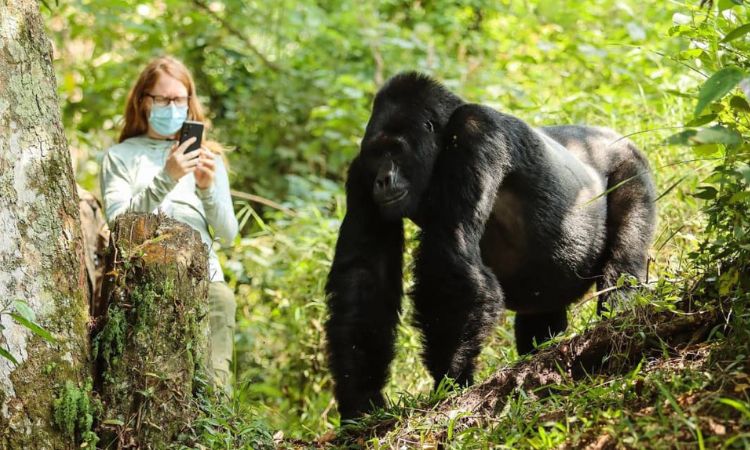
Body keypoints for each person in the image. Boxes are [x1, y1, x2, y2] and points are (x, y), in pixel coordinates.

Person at [100, 55, 238, 392]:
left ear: (190, 102)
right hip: (141, 288)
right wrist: (168, 177)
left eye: (179, 98)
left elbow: (229, 235)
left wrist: (206, 188)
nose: (172, 106)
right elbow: (120, 222)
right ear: (143, 102)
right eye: (163, 98)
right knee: (153, 395)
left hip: (208, 283)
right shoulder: (120, 157)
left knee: (214, 390)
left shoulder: (209, 158)